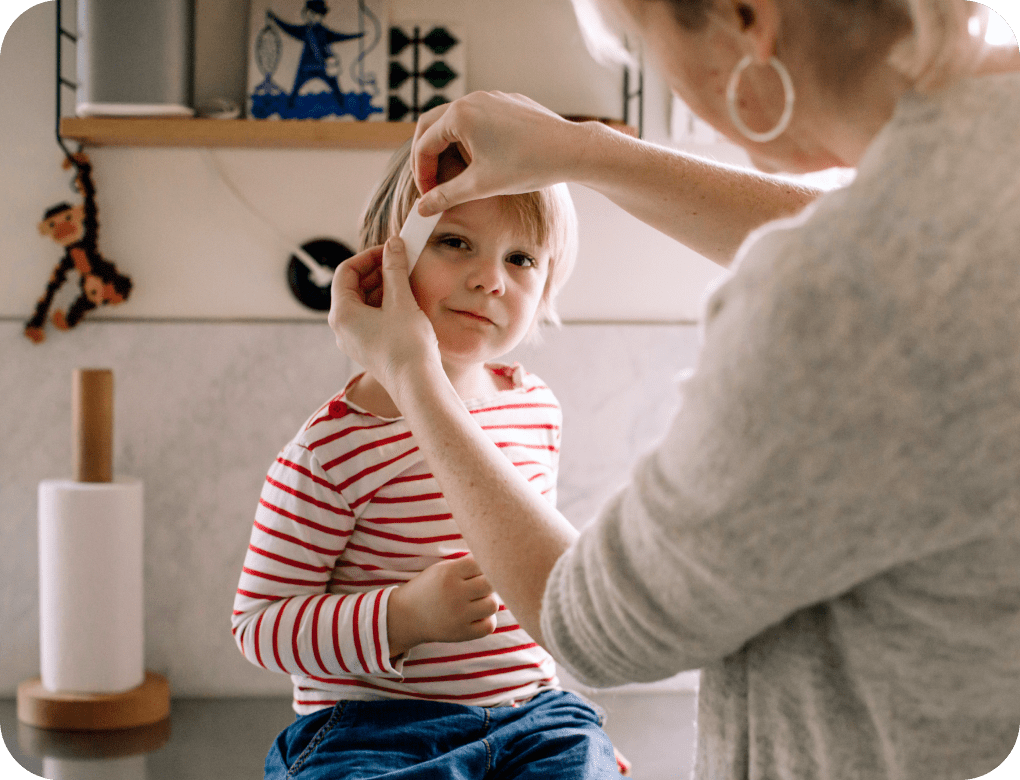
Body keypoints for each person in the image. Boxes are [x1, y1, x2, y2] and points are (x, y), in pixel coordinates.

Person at [327, 0, 1020, 778]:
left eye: (643, 49)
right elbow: (896, 239)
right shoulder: (980, 183)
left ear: (746, 19)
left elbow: (595, 628)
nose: (490, 278)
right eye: (456, 244)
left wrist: (414, 378)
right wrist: (590, 152)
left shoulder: (837, 298)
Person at [231, 141, 630, 778]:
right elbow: (258, 626)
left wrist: (573, 739)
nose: (491, 279)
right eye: (454, 242)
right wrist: (405, 616)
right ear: (383, 258)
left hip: (530, 715)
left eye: (521, 257)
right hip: (373, 728)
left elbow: (536, 585)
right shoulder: (331, 450)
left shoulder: (535, 409)